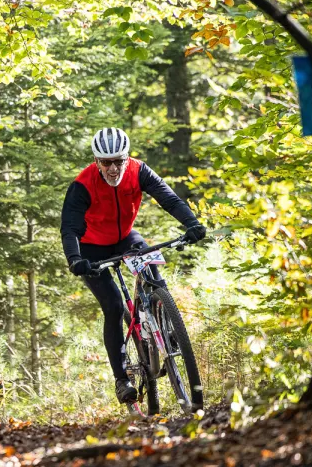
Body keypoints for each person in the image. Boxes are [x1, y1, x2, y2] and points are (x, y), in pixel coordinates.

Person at [60, 127, 206, 404]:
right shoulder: (83, 184)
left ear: (127, 158)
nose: (113, 168)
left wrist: (192, 223)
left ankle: (166, 324)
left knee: (152, 272)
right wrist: (75, 258)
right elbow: (70, 227)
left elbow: (168, 199)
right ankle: (122, 380)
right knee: (114, 306)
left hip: (126, 238)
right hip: (91, 248)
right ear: (96, 161)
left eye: (118, 161)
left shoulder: (139, 171)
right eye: (106, 162)